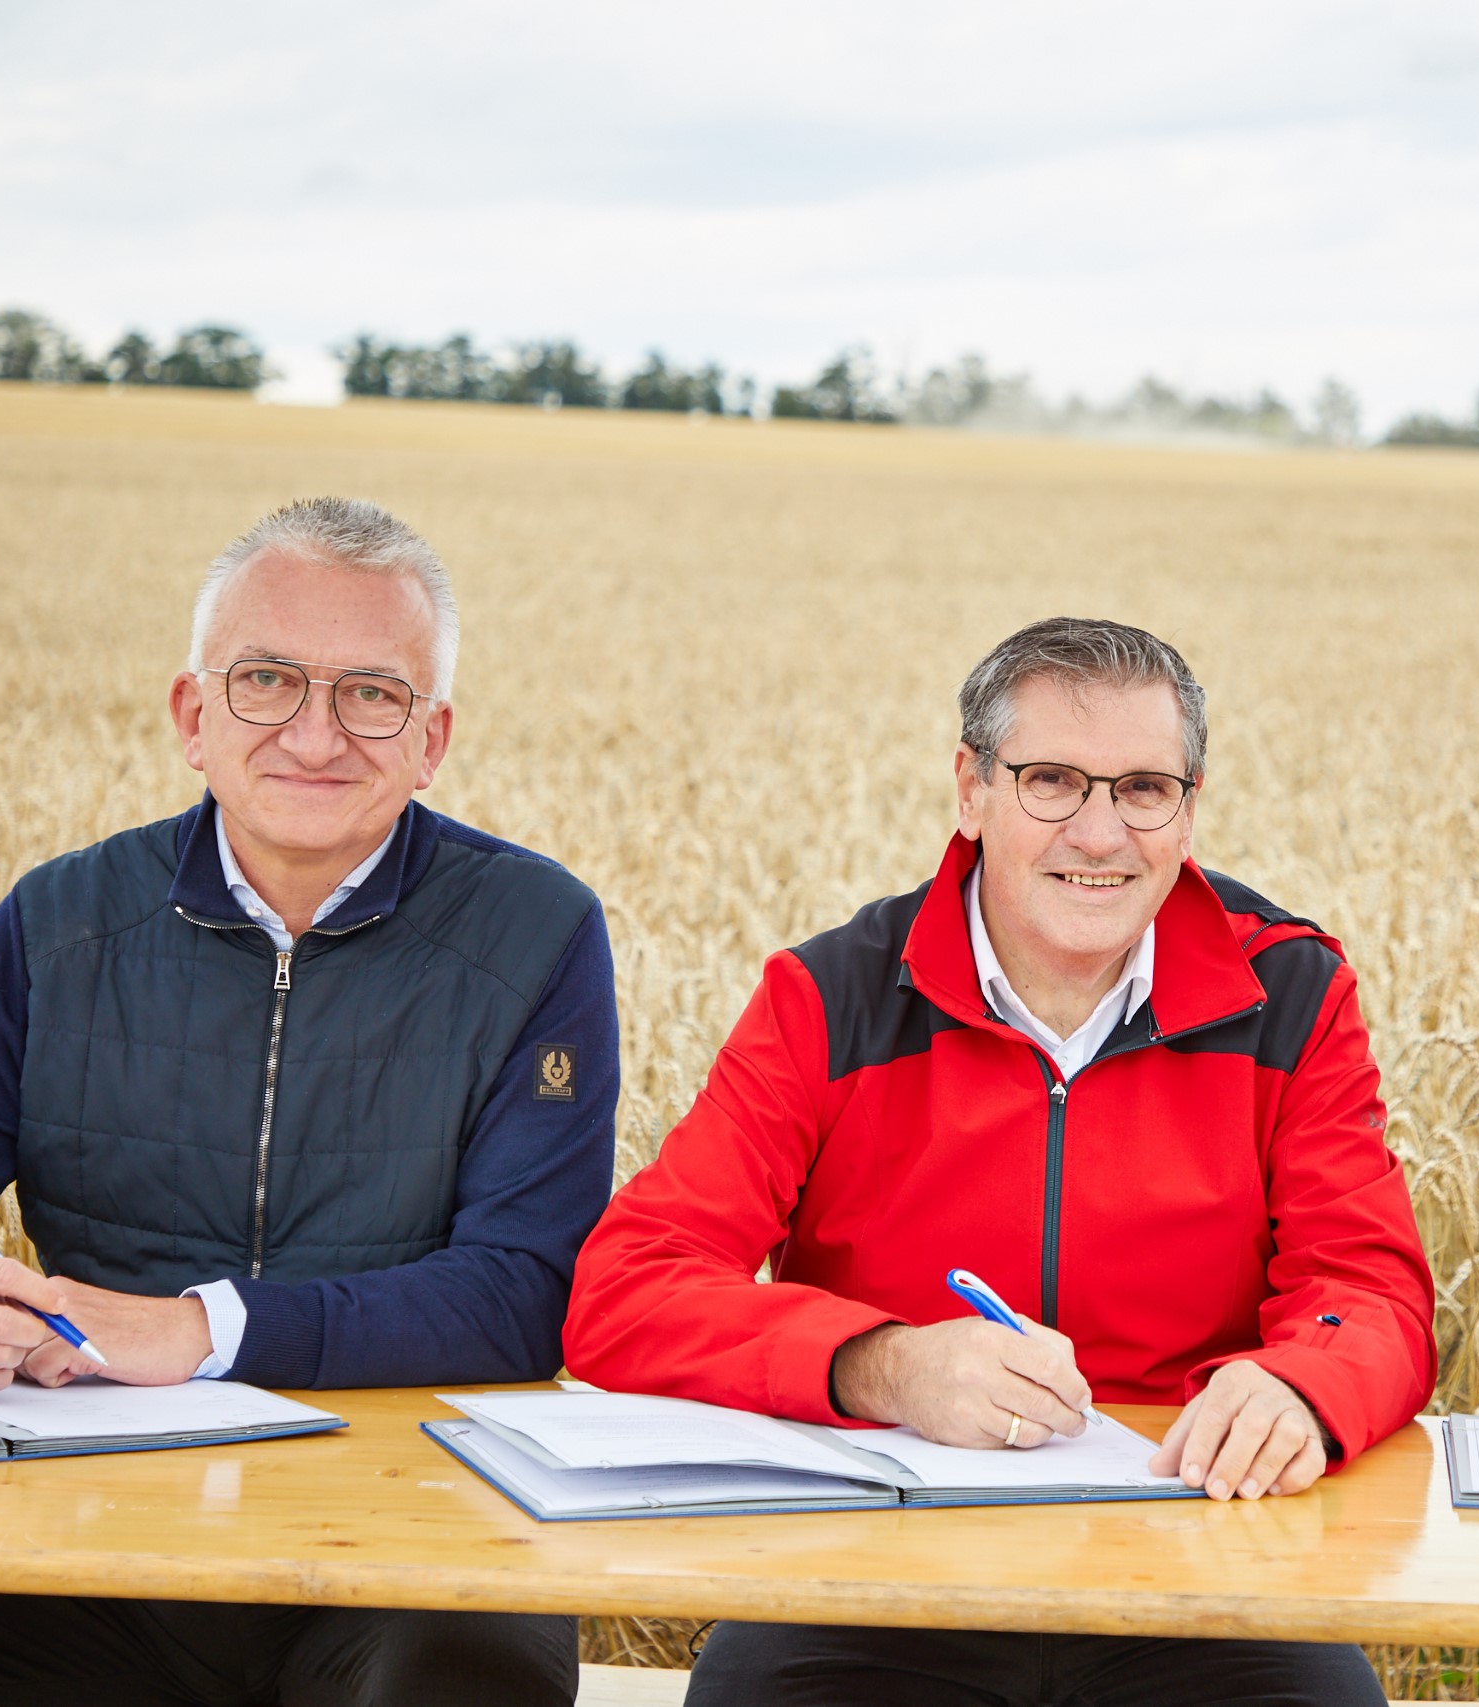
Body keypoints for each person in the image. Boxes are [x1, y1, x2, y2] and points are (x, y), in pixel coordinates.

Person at [0, 498, 616, 1706]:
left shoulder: (537, 931)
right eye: (267, 680)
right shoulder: (57, 924)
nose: (316, 736)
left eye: (371, 694)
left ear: (431, 739)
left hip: (420, 1551)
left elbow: (524, 1293)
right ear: (194, 716)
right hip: (79, 1549)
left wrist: (200, 1331)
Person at [565, 616, 1435, 1706]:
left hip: (1204, 1561)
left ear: (1189, 806)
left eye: (1143, 789)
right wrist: (879, 1365)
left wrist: (1302, 1386)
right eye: (1053, 782)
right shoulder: (828, 998)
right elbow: (626, 1288)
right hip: (874, 1570)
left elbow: (1371, 1287)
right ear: (970, 788)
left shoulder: (1293, 995)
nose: (1101, 833)